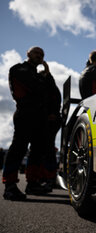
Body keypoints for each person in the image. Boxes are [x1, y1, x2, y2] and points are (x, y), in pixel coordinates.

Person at [2, 46, 51, 200]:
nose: (39, 56)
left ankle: (32, 184)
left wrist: (46, 75)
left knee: (37, 150)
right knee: (19, 148)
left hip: (39, 117)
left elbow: (47, 94)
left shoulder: (39, 75)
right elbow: (37, 89)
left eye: (42, 54)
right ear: (28, 54)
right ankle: (9, 185)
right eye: (36, 52)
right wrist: (43, 79)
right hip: (25, 114)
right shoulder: (19, 69)